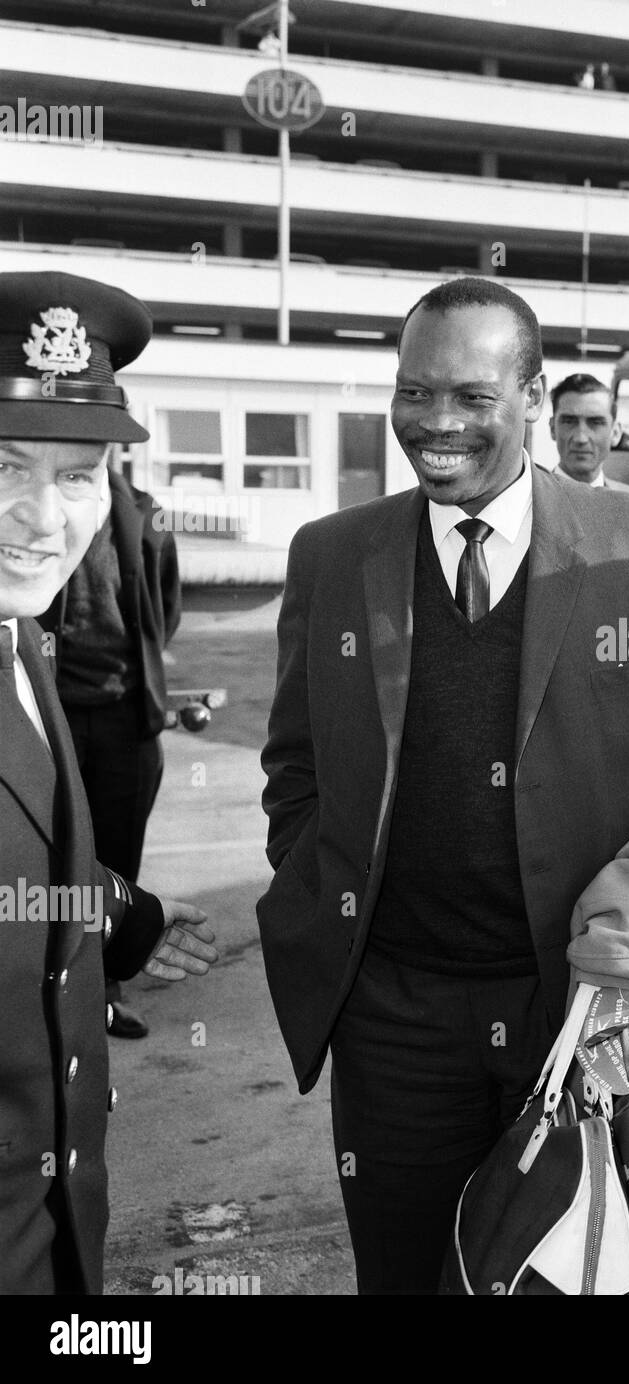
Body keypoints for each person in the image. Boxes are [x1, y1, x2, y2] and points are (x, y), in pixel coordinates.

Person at [257, 276, 629, 1293]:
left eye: (471, 398)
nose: (434, 424)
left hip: (580, 1010)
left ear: (532, 399)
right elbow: (295, 765)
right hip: (393, 1018)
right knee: (404, 1273)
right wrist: (319, 886)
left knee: (577, 1272)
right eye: (412, 393)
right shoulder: (331, 555)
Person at [0, 270, 217, 1293]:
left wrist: (124, 919)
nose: (43, 514)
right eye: (4, 462)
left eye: (78, 474)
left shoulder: (17, 643)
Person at [38, 462, 181, 1040]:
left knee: (117, 856)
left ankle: (104, 992)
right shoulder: (36, 509)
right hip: (53, 713)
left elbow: (163, 612)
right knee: (48, 857)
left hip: (126, 715)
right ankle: (43, 988)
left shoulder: (147, 514)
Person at [548, 372, 629, 490]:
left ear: (615, 433)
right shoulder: (525, 502)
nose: (581, 438)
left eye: (596, 423)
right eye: (569, 421)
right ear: (553, 428)